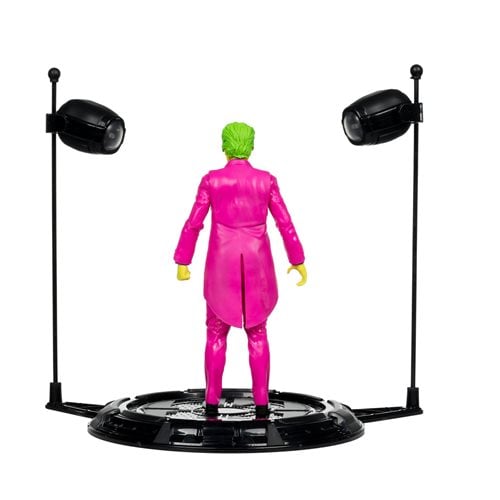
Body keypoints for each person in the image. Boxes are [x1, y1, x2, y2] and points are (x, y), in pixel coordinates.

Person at [174, 122, 306, 417]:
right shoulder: (266, 181)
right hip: (258, 265)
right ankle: (261, 402)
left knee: (215, 333)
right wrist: (296, 258)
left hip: (221, 266)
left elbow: (194, 222)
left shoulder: (212, 180)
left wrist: (184, 259)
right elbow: (284, 222)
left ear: (224, 146)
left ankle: (211, 401)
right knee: (258, 333)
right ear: (251, 147)